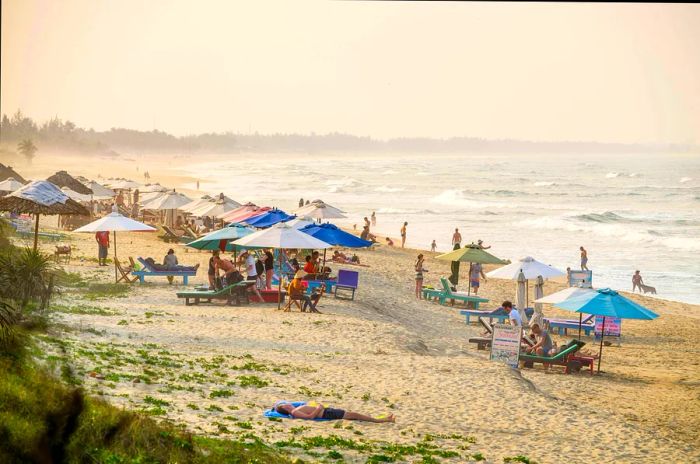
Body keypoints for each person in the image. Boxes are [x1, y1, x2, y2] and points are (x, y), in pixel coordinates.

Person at [273, 401, 395, 423]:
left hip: (327, 411)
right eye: (285, 404)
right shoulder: (294, 412)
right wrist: (319, 408)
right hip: (327, 413)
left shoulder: (295, 409)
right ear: (286, 408)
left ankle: (380, 419)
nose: (288, 403)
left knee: (353, 415)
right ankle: (381, 420)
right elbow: (310, 417)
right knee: (354, 415)